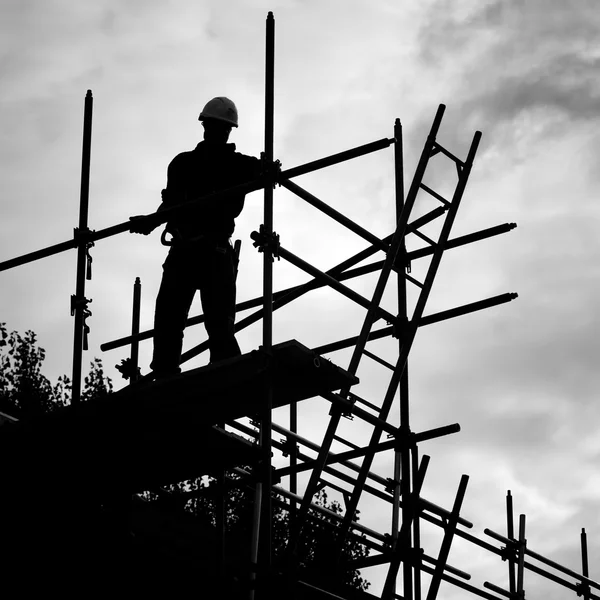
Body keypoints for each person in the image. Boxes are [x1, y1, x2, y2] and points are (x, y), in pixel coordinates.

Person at [130, 97, 262, 377]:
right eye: (215, 127)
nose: (218, 133)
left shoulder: (239, 166)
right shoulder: (183, 164)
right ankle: (167, 378)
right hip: (185, 252)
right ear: (205, 127)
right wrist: (151, 222)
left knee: (219, 327)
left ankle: (227, 379)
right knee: (169, 321)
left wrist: (269, 168)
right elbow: (171, 205)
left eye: (222, 129)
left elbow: (267, 172)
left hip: (214, 254)